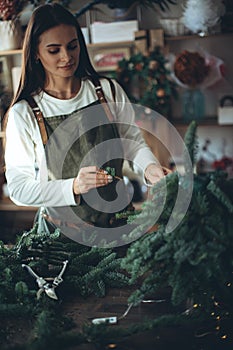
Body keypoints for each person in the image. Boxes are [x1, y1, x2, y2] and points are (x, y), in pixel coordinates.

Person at [4, 3, 167, 242]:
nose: (66, 57)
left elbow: (131, 143)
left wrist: (150, 168)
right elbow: (19, 189)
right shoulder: (25, 113)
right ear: (36, 54)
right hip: (62, 238)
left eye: (72, 46)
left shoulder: (107, 91)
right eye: (54, 50)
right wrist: (73, 187)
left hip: (118, 226)